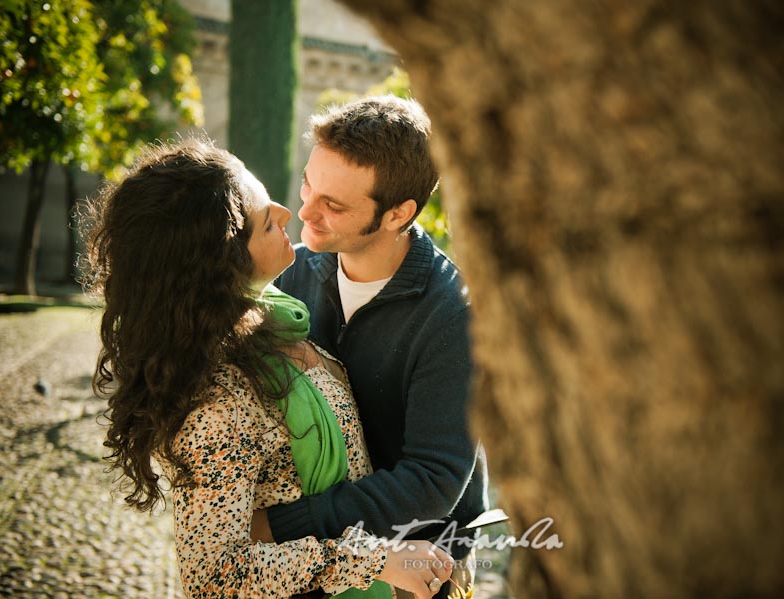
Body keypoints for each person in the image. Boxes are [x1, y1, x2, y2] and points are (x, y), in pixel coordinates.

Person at [81, 137, 454, 599]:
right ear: (222, 264)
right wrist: (372, 559)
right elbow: (214, 575)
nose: (285, 212)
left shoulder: (273, 316)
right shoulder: (216, 397)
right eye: (264, 221)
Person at [253, 96, 488, 598]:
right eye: (309, 185)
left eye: (332, 205)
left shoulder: (454, 315)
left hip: (417, 552)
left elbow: (433, 480)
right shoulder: (291, 271)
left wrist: (279, 525)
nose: (304, 212)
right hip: (316, 553)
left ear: (397, 214)